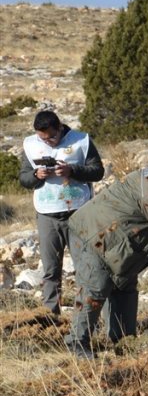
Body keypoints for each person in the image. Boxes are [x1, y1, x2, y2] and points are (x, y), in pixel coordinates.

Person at [64, 165, 148, 358]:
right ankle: (76, 343)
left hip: (116, 244)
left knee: (124, 289)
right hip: (92, 234)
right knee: (95, 287)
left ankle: (124, 343)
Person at [18, 111, 104, 315]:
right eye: (42, 138)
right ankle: (51, 319)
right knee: (50, 271)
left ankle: (84, 318)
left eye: (52, 137)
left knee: (85, 268)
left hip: (79, 213)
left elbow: (98, 171)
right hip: (47, 215)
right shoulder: (30, 144)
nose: (48, 142)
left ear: (60, 127)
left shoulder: (81, 140)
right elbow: (23, 178)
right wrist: (36, 175)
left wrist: (72, 171)